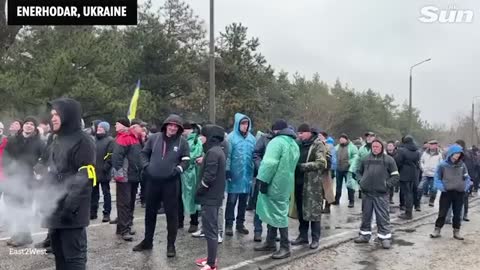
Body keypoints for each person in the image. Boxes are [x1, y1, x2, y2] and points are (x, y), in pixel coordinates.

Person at [43, 98, 96, 270]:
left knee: (74, 260)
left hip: (71, 213)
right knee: (59, 257)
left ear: (70, 116)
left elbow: (85, 178)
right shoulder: (54, 138)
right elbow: (48, 168)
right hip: (54, 210)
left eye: (58, 114)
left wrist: (69, 208)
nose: (53, 118)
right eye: (52, 115)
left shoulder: (84, 140)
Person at [133, 114, 190, 258]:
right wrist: (146, 167)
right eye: (170, 125)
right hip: (152, 182)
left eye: (176, 126)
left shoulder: (182, 142)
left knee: (172, 215)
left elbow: (186, 161)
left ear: (179, 128)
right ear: (166, 126)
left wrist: (177, 170)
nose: (173, 128)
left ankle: (171, 245)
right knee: (149, 213)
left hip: (171, 183)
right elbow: (143, 154)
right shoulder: (154, 138)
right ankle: (147, 241)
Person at [254, 123, 300, 259]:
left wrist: (262, 179)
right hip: (286, 183)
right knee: (275, 212)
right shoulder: (294, 143)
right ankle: (270, 241)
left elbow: (269, 163)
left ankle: (285, 247)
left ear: (276, 130)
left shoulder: (276, 142)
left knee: (278, 214)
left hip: (274, 182)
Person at [3, 116, 45, 247]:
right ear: (23, 126)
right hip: (12, 178)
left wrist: (37, 169)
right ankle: (18, 233)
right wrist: (8, 168)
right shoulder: (12, 139)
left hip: (28, 180)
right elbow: (5, 155)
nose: (29, 126)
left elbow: (45, 158)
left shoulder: (39, 142)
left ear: (35, 128)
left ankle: (25, 236)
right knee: (12, 206)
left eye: (32, 124)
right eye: (27, 123)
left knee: (24, 207)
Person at [354, 139, 399, 249]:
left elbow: (395, 176)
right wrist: (361, 181)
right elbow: (358, 172)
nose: (375, 148)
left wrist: (386, 185)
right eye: (373, 147)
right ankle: (364, 235)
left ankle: (384, 237)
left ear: (381, 148)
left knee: (382, 216)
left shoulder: (389, 160)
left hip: (381, 194)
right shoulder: (365, 159)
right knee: (366, 216)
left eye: (377, 147)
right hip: (367, 193)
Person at [291, 123, 329, 250]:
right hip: (298, 182)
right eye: (298, 133)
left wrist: (302, 166)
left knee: (314, 213)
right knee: (301, 211)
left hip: (313, 185)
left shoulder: (318, 144)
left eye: (301, 133)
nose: (299, 135)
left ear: (308, 133)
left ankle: (315, 238)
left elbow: (321, 163)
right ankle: (303, 236)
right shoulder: (298, 144)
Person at [194, 124, 227, 270]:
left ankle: (211, 264)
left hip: (210, 198)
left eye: (202, 135)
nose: (200, 138)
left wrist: (200, 190)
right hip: (213, 197)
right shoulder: (216, 150)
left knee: (210, 230)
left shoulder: (213, 152)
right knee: (210, 229)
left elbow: (209, 177)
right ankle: (210, 258)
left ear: (209, 137)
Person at [251, 120, 286, 242]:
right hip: (263, 176)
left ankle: (272, 233)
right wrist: (262, 168)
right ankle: (257, 231)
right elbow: (256, 154)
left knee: (273, 205)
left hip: (276, 179)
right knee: (259, 204)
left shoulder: (284, 141)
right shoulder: (264, 139)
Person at [430, 144, 471, 240]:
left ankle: (456, 231)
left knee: (457, 213)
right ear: (451, 153)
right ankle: (437, 229)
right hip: (447, 192)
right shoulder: (442, 165)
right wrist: (440, 187)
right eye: (456, 153)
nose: (457, 155)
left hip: (459, 192)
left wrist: (466, 186)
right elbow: (437, 177)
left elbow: (466, 177)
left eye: (459, 154)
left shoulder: (462, 165)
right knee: (442, 212)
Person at [225, 113, 256, 236]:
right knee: (231, 201)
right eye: (243, 123)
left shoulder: (252, 139)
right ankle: (228, 224)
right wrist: (227, 170)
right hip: (234, 174)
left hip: (247, 174)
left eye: (247, 123)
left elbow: (255, 155)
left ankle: (240, 224)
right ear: (238, 124)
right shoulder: (231, 138)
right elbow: (227, 156)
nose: (245, 126)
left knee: (244, 201)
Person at [111, 118, 142, 241]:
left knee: (129, 202)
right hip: (125, 176)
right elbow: (117, 157)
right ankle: (124, 229)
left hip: (133, 175)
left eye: (117, 124)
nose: (115, 126)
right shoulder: (122, 138)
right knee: (124, 203)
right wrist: (118, 173)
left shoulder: (133, 138)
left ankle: (124, 226)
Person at [180, 121, 203, 233]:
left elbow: (196, 154)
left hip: (193, 172)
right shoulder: (180, 140)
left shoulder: (196, 140)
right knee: (179, 196)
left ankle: (194, 222)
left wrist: (185, 159)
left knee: (193, 197)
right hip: (181, 172)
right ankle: (179, 221)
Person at [90, 121, 113, 222]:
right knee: (93, 194)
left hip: (104, 172)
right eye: (98, 127)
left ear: (106, 129)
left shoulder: (110, 140)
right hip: (93, 172)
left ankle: (106, 213)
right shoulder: (93, 139)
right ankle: (93, 212)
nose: (99, 129)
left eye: (101, 128)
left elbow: (110, 156)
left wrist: (106, 167)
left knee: (106, 193)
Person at [396, 135, 421, 219]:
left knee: (407, 193)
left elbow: (398, 162)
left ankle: (408, 213)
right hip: (414, 173)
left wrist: (398, 171)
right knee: (411, 192)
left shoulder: (402, 150)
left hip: (404, 173)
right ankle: (410, 211)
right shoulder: (417, 151)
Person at [334, 133, 359, 207]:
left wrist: (349, 162)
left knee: (349, 186)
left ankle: (351, 201)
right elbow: (334, 156)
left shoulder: (352, 147)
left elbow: (355, 156)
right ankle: (337, 200)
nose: (341, 140)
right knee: (338, 185)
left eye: (343, 138)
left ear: (346, 139)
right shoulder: (337, 147)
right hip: (338, 169)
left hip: (348, 169)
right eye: (340, 139)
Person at [419, 140, 443, 207]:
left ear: (436, 146)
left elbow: (441, 164)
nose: (431, 146)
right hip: (425, 174)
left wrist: (437, 171)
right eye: (430, 144)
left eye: (433, 144)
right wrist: (423, 168)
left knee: (434, 189)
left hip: (434, 175)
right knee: (420, 187)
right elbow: (421, 161)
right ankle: (417, 201)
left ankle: (432, 201)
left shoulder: (439, 155)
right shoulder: (425, 153)